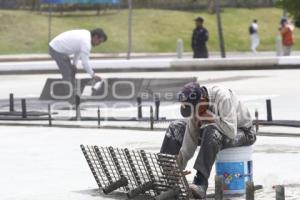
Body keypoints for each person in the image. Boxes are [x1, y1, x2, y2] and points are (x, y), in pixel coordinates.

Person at [160, 82, 256, 198]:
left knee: (211, 131)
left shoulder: (222, 96)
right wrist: (179, 165)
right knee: (176, 127)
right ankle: (169, 178)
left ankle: (200, 183)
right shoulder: (195, 106)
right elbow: (190, 141)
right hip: (219, 130)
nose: (195, 114)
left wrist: (210, 117)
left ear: (202, 99)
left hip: (243, 132)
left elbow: (231, 131)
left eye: (196, 110)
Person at [49, 28, 107, 102]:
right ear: (95, 37)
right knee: (67, 74)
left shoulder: (86, 35)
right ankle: (72, 100)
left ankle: (74, 97)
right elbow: (84, 63)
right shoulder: (86, 43)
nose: (99, 44)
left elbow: (78, 50)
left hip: (59, 48)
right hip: (56, 49)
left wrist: (74, 64)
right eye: (99, 41)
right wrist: (93, 75)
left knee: (71, 72)